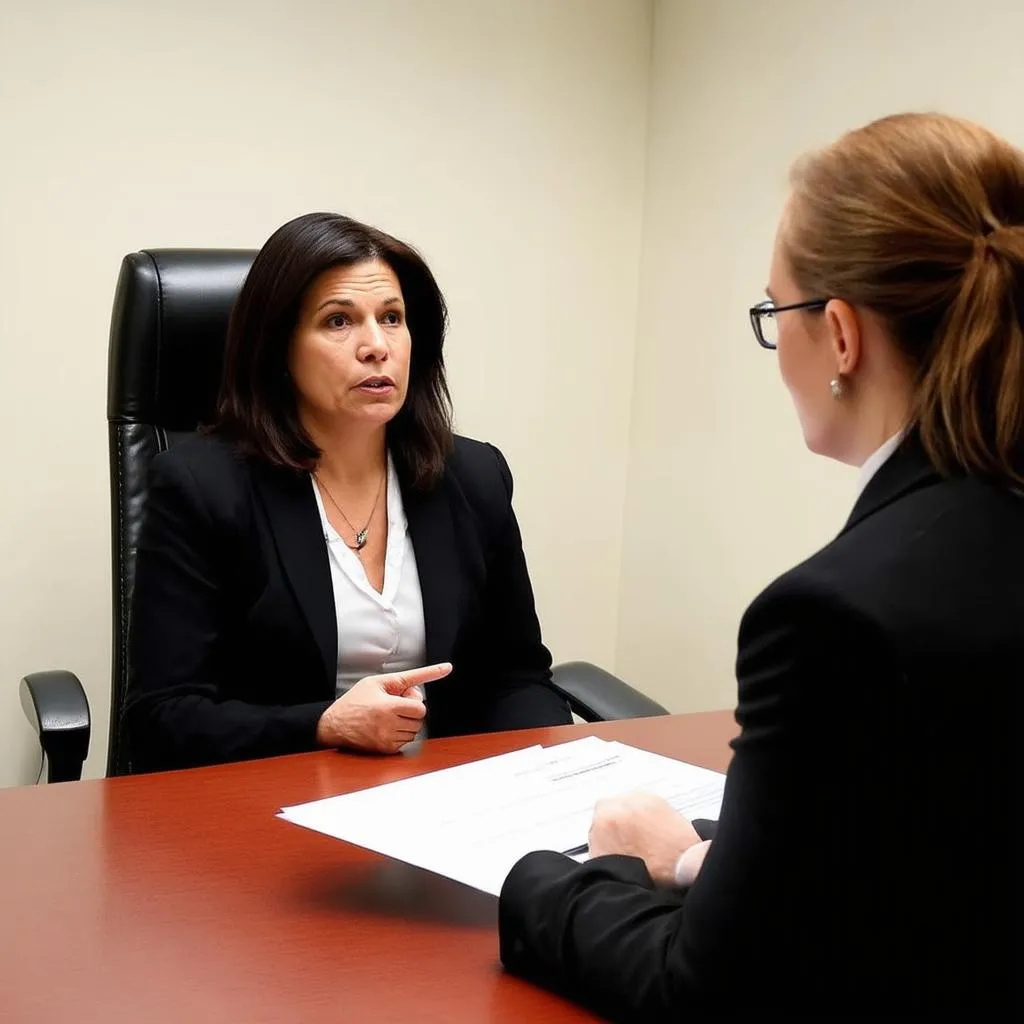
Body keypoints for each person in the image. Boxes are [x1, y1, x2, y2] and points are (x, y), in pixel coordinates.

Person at [499, 112, 1022, 1017]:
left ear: (843, 338)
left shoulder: (837, 616)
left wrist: (573, 877)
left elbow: (705, 992)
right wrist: (708, 860)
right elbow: (936, 862)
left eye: (775, 312)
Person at [124, 212, 571, 772]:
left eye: (392, 318)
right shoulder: (202, 488)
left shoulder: (474, 476)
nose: (376, 346)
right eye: (339, 322)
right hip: (275, 796)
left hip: (446, 795)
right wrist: (325, 722)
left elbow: (515, 678)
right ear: (279, 348)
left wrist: (554, 773)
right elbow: (162, 717)